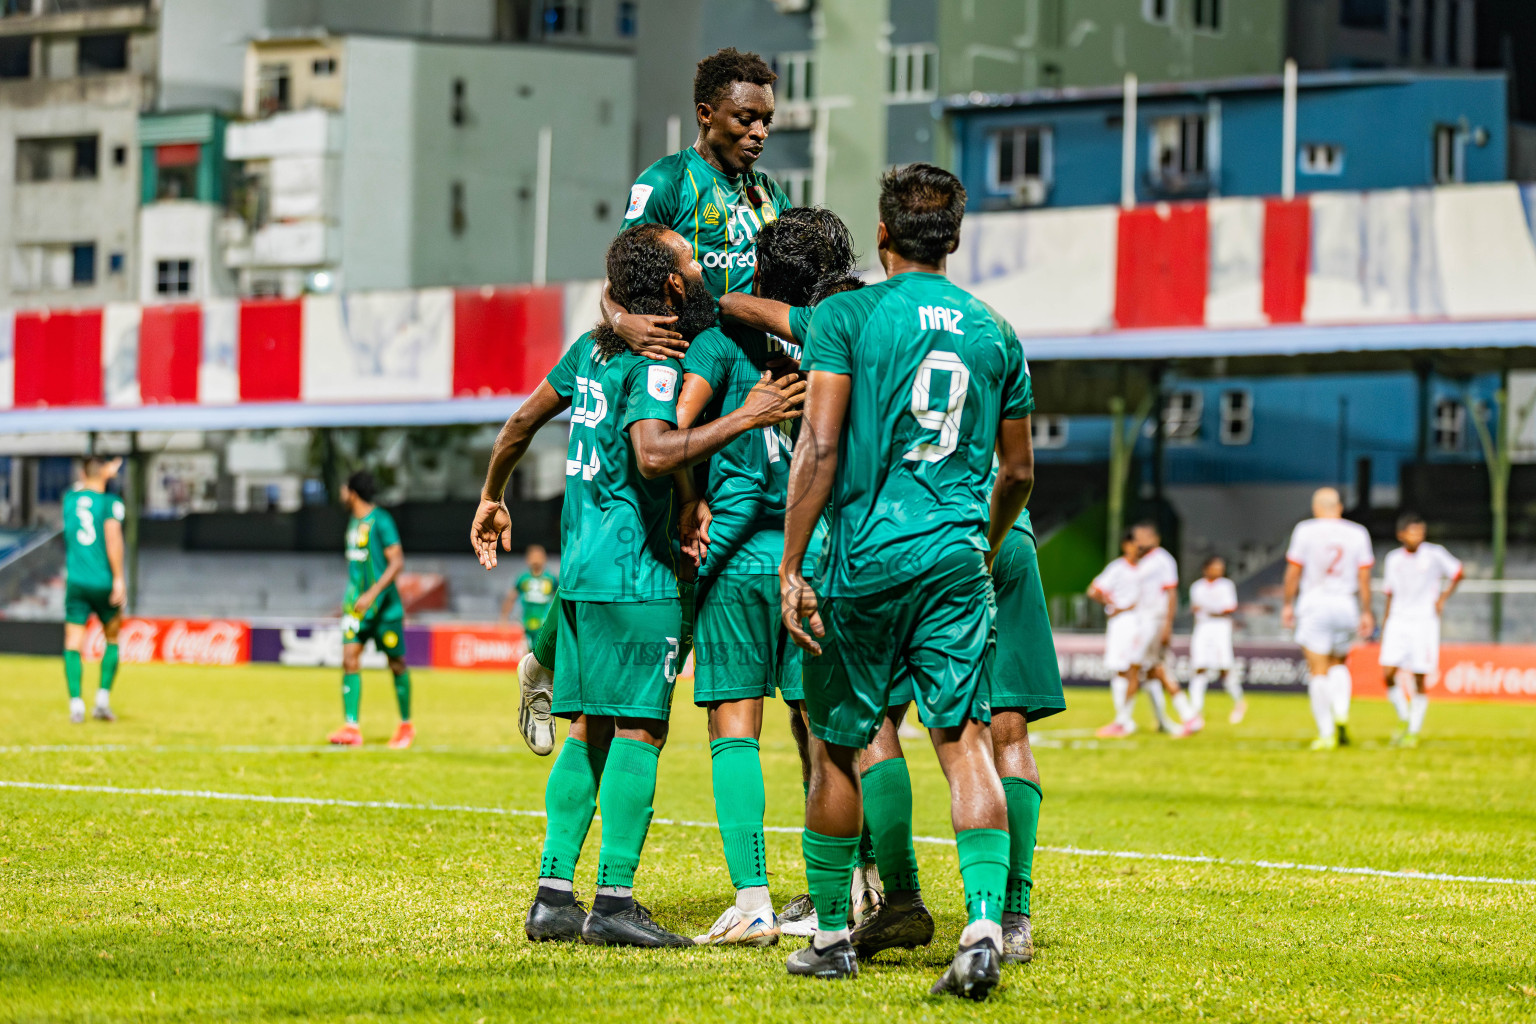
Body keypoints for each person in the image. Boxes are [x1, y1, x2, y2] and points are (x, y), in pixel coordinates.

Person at [471, 222, 804, 949]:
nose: (703, 262)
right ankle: (614, 902)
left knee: (588, 729)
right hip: (639, 575)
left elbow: (523, 419)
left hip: (580, 573)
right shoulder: (658, 361)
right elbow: (652, 452)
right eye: (691, 258)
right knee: (640, 730)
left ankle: (553, 896)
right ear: (676, 286)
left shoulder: (591, 350)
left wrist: (493, 494)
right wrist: (746, 416)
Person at [780, 163, 1033, 1000]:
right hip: (957, 557)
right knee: (963, 739)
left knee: (838, 745)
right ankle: (987, 925)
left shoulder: (845, 315)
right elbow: (1020, 472)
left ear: (882, 234)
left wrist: (792, 561)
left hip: (866, 560)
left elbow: (817, 445)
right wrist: (982, 544)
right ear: (954, 239)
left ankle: (827, 937)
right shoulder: (996, 330)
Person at [512, 47, 797, 749]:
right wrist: (621, 320)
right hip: (675, 377)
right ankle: (547, 661)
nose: (758, 133)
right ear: (706, 114)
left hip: (745, 383)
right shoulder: (667, 182)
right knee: (641, 540)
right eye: (744, 119)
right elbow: (620, 273)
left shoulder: (770, 197)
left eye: (767, 120)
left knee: (696, 550)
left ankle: (623, 671)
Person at [676, 206, 859, 947]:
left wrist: (689, 503)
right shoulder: (829, 345)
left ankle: (753, 900)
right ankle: (842, 892)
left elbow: (676, 434)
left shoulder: (720, 344)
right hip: (810, 557)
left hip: (738, 566)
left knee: (734, 727)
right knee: (827, 729)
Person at [1282, 487, 1375, 750]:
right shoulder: (1358, 532)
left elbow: (1293, 571)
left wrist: (1288, 604)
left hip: (1315, 602)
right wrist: (1366, 610)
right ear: (1340, 507)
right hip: (1345, 604)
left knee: (1318, 670)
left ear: (1316, 507)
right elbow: (1364, 577)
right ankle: (1342, 713)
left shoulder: (1305, 530)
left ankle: (1325, 732)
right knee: (1338, 663)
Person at [328, 471, 414, 750]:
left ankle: (405, 725)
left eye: (343, 488)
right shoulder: (353, 522)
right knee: (349, 658)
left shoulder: (381, 520)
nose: (341, 493)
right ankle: (351, 727)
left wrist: (372, 594)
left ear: (352, 492)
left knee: (396, 663)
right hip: (356, 608)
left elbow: (396, 562)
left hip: (384, 608)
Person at [1379, 512, 1462, 748]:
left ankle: (1413, 731)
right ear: (1400, 534)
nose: (1417, 536)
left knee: (1418, 677)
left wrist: (1442, 598)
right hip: (1397, 620)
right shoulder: (1393, 559)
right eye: (1412, 531)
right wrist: (1385, 623)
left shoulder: (1434, 554)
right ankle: (1404, 718)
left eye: (1420, 532)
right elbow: (1389, 592)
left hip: (1423, 622)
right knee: (1387, 673)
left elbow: (1458, 572)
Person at [61, 456, 126, 724]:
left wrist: (98, 473)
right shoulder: (110, 503)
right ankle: (101, 701)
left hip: (76, 581)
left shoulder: (69, 500)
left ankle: (76, 704)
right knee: (112, 637)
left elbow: (84, 484)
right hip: (102, 581)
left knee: (72, 643)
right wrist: (119, 578)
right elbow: (113, 539)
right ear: (104, 473)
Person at [1128, 521, 1201, 736]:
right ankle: (1167, 720)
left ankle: (1123, 720)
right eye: (1137, 536)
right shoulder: (1144, 562)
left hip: (1155, 621)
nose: (1139, 540)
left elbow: (1171, 592)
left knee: (1137, 666)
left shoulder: (1162, 559)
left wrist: (1168, 623)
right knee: (1153, 670)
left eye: (1144, 535)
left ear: (1155, 538)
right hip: (1145, 620)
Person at [1092, 534, 1147, 738]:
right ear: (1126, 545)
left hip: (1142, 623)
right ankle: (1123, 720)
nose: (1138, 548)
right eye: (1135, 543)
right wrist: (1115, 605)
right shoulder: (1118, 568)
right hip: (1123, 624)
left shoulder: (1146, 568)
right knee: (1122, 669)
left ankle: (1125, 720)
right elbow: (1094, 590)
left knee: (1141, 671)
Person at [1187, 556, 1244, 724]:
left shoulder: (1226, 585)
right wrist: (1211, 610)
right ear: (1206, 568)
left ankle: (1238, 702)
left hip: (1220, 629)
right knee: (1199, 667)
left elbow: (1228, 609)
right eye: (1215, 567)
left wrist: (1209, 609)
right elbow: (1197, 610)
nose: (1219, 570)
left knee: (1224, 668)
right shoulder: (1197, 587)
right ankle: (1195, 710)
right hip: (1203, 628)